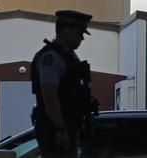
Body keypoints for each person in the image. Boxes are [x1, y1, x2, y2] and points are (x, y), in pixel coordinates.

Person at [30, 10, 97, 158]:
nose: (82, 38)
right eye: (79, 33)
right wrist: (59, 128)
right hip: (55, 131)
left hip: (67, 126)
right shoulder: (51, 58)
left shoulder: (68, 57)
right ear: (66, 29)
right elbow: (49, 95)